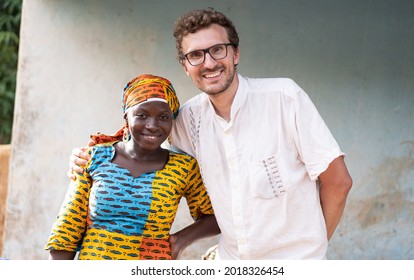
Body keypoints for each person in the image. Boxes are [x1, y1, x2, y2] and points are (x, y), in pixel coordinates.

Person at [69, 8, 352, 259]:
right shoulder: (188, 119)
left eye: (218, 50)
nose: (209, 63)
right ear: (185, 66)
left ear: (235, 53)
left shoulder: (284, 98)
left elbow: (338, 182)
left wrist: (312, 252)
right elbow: (139, 137)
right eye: (195, 55)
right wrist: (85, 156)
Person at [46, 74, 220, 260]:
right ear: (126, 117)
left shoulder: (183, 168)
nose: (152, 125)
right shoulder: (94, 157)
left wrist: (180, 240)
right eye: (142, 115)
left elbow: (215, 217)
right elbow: (67, 230)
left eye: (163, 116)